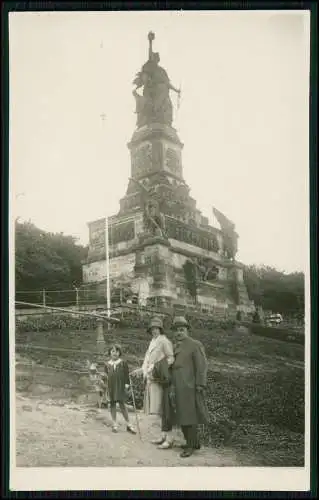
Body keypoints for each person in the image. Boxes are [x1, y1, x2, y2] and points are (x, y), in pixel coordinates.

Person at [131, 316, 174, 448]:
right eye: (152, 329)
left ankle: (170, 438)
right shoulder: (152, 342)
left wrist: (158, 368)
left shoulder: (164, 341)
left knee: (164, 408)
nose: (154, 331)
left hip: (160, 379)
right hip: (152, 379)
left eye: (156, 328)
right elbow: (147, 359)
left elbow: (171, 358)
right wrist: (142, 370)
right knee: (159, 409)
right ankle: (163, 435)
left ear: (160, 329)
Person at [171, 316, 209, 458]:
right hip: (177, 385)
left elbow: (202, 366)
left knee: (190, 416)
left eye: (182, 330)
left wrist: (200, 384)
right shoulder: (175, 346)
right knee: (182, 414)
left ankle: (191, 446)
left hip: (190, 385)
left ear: (187, 330)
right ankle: (193, 442)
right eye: (176, 330)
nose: (179, 333)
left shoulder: (195, 344)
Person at [104, 344, 136, 434]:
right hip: (111, 386)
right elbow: (106, 375)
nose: (115, 353)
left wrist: (127, 384)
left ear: (119, 353)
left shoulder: (122, 363)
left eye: (117, 351)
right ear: (110, 352)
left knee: (122, 404)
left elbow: (126, 375)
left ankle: (129, 424)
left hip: (120, 386)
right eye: (113, 351)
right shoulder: (107, 364)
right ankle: (114, 423)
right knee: (112, 404)